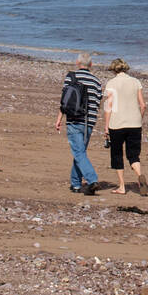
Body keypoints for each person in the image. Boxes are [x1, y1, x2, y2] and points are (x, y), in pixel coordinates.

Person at [54, 53, 102, 195]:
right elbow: (97, 102)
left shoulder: (71, 77)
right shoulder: (97, 81)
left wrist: (59, 118)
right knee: (80, 153)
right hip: (89, 121)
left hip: (74, 120)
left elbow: (65, 99)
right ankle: (75, 184)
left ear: (77, 62)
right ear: (91, 65)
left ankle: (92, 179)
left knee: (79, 152)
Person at [102, 58, 148, 196]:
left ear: (114, 70)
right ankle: (140, 177)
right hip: (135, 123)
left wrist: (106, 126)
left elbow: (109, 106)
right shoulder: (135, 82)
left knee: (117, 154)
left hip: (117, 123)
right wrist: (139, 118)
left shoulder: (111, 83)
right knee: (133, 155)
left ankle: (122, 186)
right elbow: (143, 105)